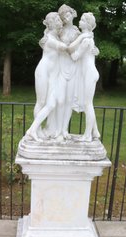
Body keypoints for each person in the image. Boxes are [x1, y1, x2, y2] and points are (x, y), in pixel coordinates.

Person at [26, 12, 67, 141]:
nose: (61, 22)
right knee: (41, 102)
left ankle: (34, 129)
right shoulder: (50, 39)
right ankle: (36, 130)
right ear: (53, 23)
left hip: (52, 74)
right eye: (59, 20)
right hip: (43, 72)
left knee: (51, 104)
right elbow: (64, 47)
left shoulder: (55, 37)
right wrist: (84, 38)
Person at [46, 4, 80, 139]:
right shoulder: (60, 32)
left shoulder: (78, 32)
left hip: (73, 67)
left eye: (68, 14)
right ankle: (57, 129)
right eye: (64, 16)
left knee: (69, 101)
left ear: (72, 14)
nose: (67, 18)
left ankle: (64, 129)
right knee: (60, 100)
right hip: (61, 67)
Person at [69, 12, 100, 142]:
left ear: (87, 24)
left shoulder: (86, 39)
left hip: (89, 74)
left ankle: (87, 135)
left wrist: (66, 51)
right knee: (88, 104)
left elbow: (75, 56)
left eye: (81, 20)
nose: (79, 21)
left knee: (88, 105)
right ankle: (95, 132)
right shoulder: (88, 38)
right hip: (89, 73)